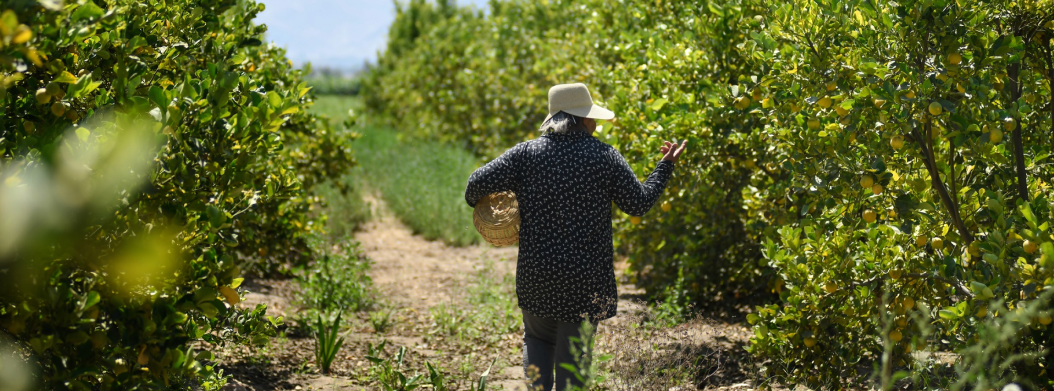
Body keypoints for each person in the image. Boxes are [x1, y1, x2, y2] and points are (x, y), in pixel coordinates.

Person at [465, 83, 686, 391]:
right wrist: (664, 168)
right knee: (575, 353)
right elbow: (638, 203)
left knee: (538, 339)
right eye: (592, 117)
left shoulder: (526, 154)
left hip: (536, 273)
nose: (595, 123)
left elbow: (473, 187)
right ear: (582, 119)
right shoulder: (605, 156)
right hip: (586, 279)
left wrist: (513, 196)